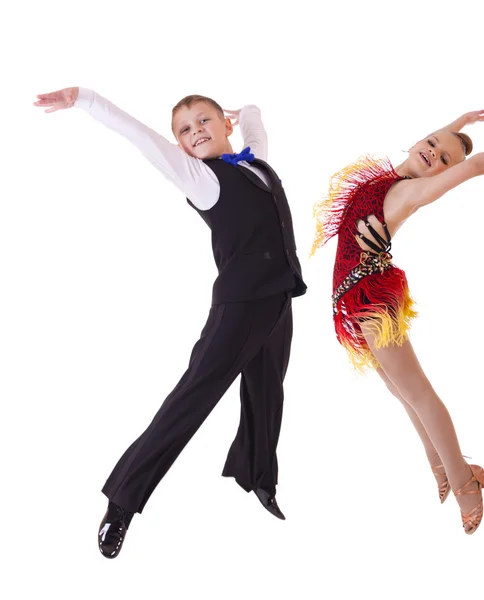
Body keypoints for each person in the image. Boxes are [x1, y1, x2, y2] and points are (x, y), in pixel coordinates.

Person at [33, 86, 307, 558]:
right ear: (179, 146)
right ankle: (122, 501)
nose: (195, 131)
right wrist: (86, 99)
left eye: (204, 120)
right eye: (184, 130)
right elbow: (139, 136)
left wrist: (252, 111)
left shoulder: (256, 162)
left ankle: (258, 477)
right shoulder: (199, 178)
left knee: (267, 391)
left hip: (280, 298)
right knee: (191, 400)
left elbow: (257, 133)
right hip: (240, 308)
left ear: (225, 124)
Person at [311, 110, 484, 534]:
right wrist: (463, 122)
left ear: (444, 175)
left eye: (442, 161)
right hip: (352, 296)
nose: (432, 154)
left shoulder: (410, 192)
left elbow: (474, 164)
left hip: (371, 300)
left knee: (417, 393)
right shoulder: (390, 176)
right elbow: (446, 145)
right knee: (401, 391)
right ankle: (440, 464)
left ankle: (464, 482)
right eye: (432, 144)